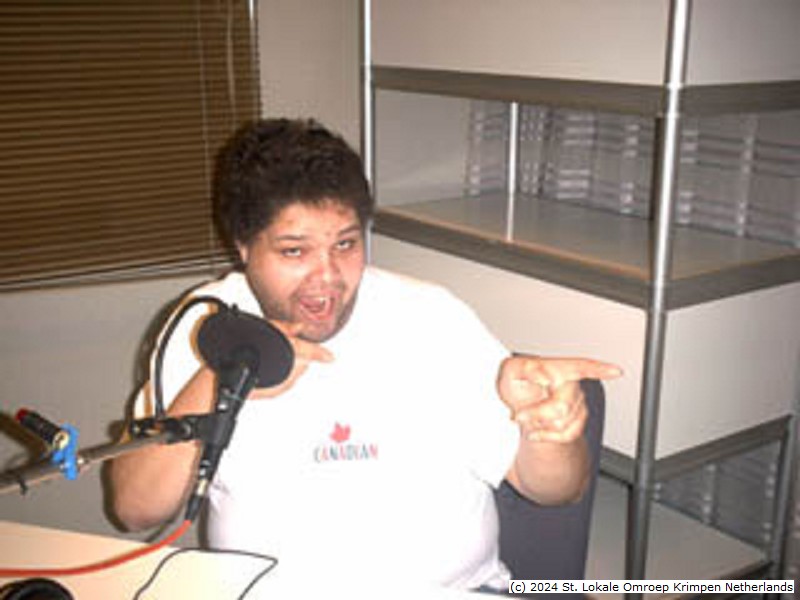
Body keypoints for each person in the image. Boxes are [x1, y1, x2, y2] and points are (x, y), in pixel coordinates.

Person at [108, 118, 621, 591]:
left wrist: (550, 436)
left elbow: (555, 489)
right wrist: (219, 382)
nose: (327, 277)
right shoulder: (205, 326)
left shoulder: (432, 318)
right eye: (294, 251)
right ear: (243, 246)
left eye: (346, 245)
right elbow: (134, 509)